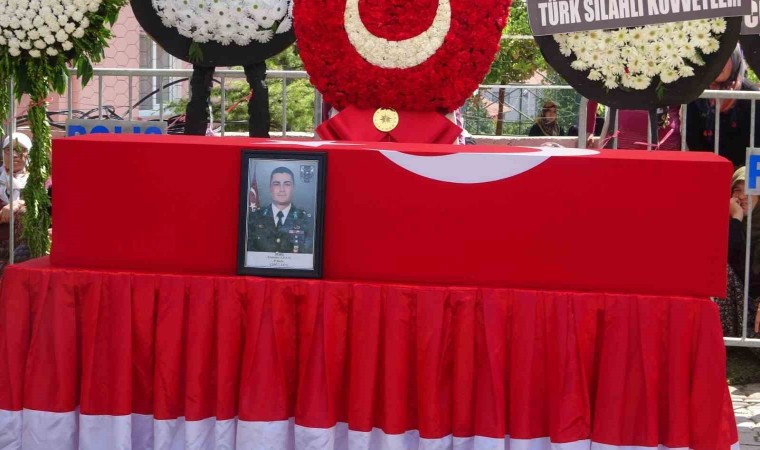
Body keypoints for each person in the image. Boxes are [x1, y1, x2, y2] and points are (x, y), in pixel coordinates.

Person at [686, 45, 760, 167]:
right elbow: (693, 138)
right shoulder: (697, 92)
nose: (718, 65)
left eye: (724, 58)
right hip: (708, 166)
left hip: (743, 169)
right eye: (714, 58)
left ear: (735, 59)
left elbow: (757, 144)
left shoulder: (751, 95)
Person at [247, 166, 313, 253]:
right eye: (276, 184)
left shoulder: (306, 220)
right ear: (270, 188)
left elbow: (309, 253)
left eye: (287, 184)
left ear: (293, 187)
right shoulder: (254, 217)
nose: (282, 189)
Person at [0, 133, 32, 274]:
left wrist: (18, 203)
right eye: (8, 150)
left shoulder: (39, 181)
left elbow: (48, 210)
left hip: (25, 249)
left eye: (20, 150)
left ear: (29, 154)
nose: (14, 155)